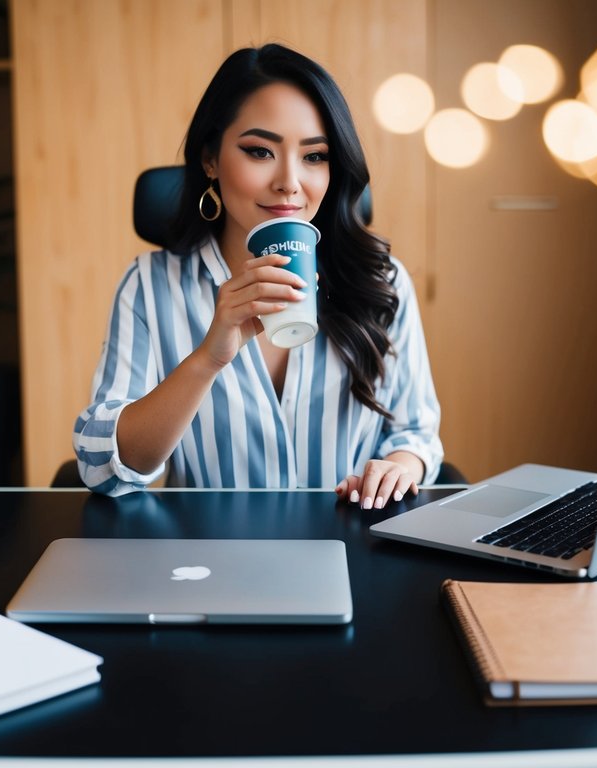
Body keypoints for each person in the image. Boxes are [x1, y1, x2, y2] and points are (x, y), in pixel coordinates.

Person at [73, 43, 442, 508]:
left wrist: (399, 466)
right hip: (209, 561)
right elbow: (101, 468)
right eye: (259, 151)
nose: (289, 181)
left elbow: (415, 431)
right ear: (210, 158)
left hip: (349, 549)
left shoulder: (381, 279)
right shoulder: (150, 286)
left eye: (314, 156)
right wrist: (208, 358)